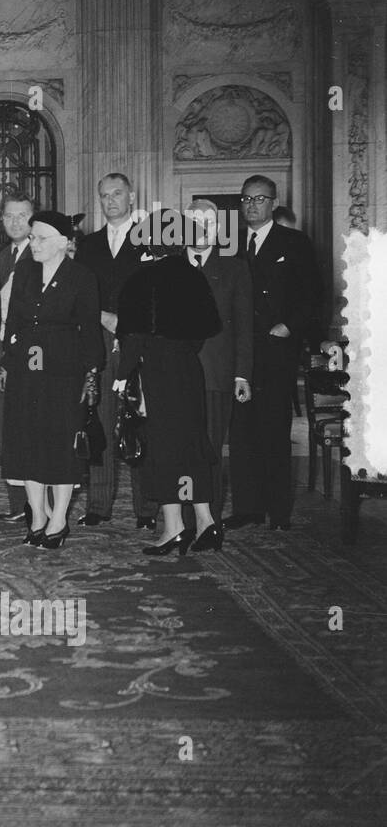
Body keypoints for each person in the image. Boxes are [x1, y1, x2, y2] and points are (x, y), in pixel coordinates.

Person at [0, 211, 105, 550]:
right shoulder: (25, 271)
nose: (34, 243)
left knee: (60, 445)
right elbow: (13, 319)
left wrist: (91, 374)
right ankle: (38, 515)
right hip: (24, 370)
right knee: (28, 441)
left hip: (64, 370)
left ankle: (59, 518)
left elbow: (89, 330)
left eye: (41, 238)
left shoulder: (82, 277)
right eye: (32, 237)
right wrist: (5, 361)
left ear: (62, 242)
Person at [224, 174, 319, 532]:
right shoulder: (229, 244)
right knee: (242, 433)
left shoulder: (294, 243)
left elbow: (311, 296)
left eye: (260, 199)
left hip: (275, 351)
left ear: (274, 203)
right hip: (239, 353)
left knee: (275, 432)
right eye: (247, 199)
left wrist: (290, 327)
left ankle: (278, 511)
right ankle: (248, 508)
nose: (252, 205)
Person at [116, 244, 223, 554]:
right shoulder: (194, 276)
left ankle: (175, 526)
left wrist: (123, 374)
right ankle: (206, 522)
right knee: (191, 442)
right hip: (188, 368)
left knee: (164, 447)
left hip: (156, 371)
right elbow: (206, 329)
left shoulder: (143, 278)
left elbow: (134, 335)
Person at [73, 173, 154, 529]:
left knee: (139, 419)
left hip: (140, 341)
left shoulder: (151, 239)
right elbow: (79, 295)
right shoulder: (88, 245)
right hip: (100, 340)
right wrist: (103, 317)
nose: (110, 201)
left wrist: (126, 321)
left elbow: (157, 293)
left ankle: (147, 507)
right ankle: (99, 504)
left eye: (117, 194)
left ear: (132, 196)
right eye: (104, 195)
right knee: (101, 419)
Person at [185, 200, 252, 522]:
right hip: (174, 376)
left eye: (207, 222)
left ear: (218, 229)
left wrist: (241, 374)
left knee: (209, 448)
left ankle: (207, 517)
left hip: (215, 374)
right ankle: (182, 514)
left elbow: (243, 327)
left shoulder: (234, 267)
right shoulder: (168, 265)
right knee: (180, 448)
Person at [0, 194, 34, 524]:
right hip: (6, 355)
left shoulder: (43, 253)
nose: (16, 222)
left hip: (34, 358)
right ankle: (19, 503)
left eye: (22, 216)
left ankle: (38, 504)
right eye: (10, 216)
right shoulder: (2, 258)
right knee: (10, 431)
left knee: (34, 428)